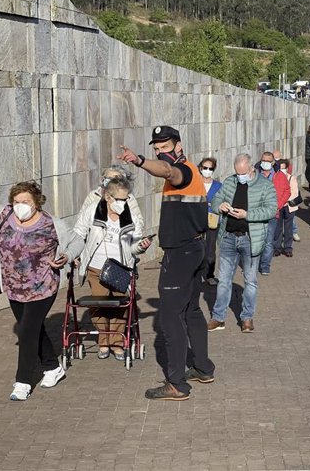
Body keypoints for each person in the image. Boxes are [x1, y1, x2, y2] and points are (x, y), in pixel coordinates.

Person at [118, 126, 215, 401]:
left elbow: (168, 171)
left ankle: (176, 384)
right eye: (157, 148)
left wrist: (138, 160)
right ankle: (203, 368)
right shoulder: (193, 171)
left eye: (166, 146)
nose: (161, 151)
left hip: (182, 253)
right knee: (192, 310)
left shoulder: (182, 171)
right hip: (195, 248)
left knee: (171, 317)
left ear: (179, 146)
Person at [0, 181, 83, 401]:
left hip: (42, 287)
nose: (20, 206)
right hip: (13, 287)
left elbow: (77, 241)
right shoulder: (1, 216)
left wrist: (66, 256)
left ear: (37, 203)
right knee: (32, 329)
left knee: (27, 331)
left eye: (26, 202)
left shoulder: (52, 224)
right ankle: (52, 368)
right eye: (16, 202)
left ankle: (23, 382)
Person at [73, 177, 151, 360]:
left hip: (121, 268)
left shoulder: (129, 214)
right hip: (95, 267)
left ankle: (116, 343)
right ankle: (104, 341)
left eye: (126, 199)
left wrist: (142, 246)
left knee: (120, 306)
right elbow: (78, 234)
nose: (123, 203)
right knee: (98, 305)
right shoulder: (93, 210)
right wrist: (74, 255)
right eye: (120, 199)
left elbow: (134, 245)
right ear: (108, 197)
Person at [208, 153, 277, 332]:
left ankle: (247, 318)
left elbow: (271, 210)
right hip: (228, 237)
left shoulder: (265, 185)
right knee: (223, 280)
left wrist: (247, 215)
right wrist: (219, 206)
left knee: (250, 281)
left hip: (251, 239)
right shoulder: (230, 182)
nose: (240, 177)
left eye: (243, 173)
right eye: (237, 173)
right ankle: (218, 317)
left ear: (251, 169)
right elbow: (215, 200)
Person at [80, 166, 144, 234]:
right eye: (109, 179)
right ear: (103, 180)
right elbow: (81, 221)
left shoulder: (129, 198)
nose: (111, 184)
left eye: (115, 181)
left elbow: (139, 224)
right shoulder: (93, 195)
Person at [257, 151, 290, 276]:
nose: (265, 163)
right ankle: (253, 264)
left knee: (269, 241)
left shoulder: (279, 175)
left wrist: (278, 205)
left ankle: (265, 265)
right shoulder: (255, 175)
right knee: (256, 240)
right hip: (257, 213)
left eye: (268, 161)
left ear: (272, 162)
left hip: (272, 213)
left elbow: (287, 191)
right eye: (263, 160)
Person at [199, 157, 222, 285]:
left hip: (213, 220)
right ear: (201, 168)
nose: (207, 170)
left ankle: (209, 275)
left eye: (210, 168)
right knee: (197, 247)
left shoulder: (218, 186)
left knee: (210, 249)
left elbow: (223, 200)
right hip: (197, 219)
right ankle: (196, 273)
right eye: (205, 168)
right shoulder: (195, 183)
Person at [273, 159, 299, 256]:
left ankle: (288, 248)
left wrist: (284, 200)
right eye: (280, 168)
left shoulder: (291, 178)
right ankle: (277, 247)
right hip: (279, 206)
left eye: (284, 168)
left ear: (287, 168)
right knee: (278, 228)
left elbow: (294, 192)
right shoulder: (276, 177)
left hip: (289, 206)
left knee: (288, 228)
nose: (282, 170)